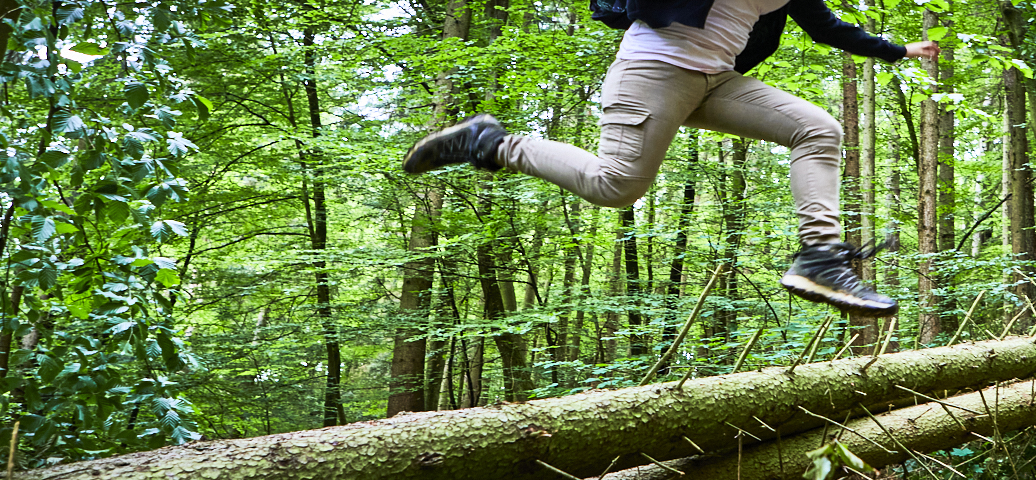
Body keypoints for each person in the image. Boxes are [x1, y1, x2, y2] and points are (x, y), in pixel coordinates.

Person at [402, 0, 938, 315]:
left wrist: (898, 51)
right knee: (616, 187)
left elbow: (827, 29)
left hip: (717, 79)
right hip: (653, 69)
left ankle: (820, 258)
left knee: (817, 129)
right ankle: (492, 143)